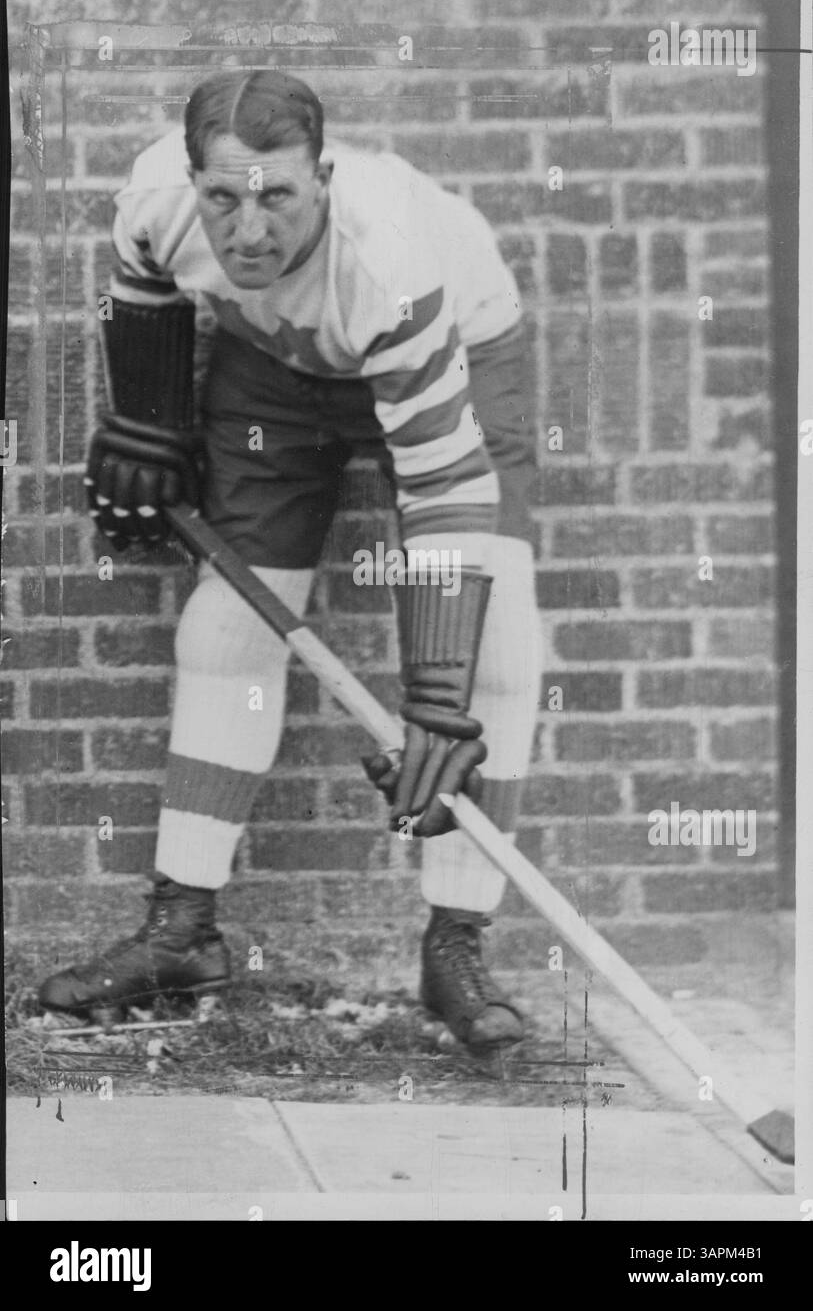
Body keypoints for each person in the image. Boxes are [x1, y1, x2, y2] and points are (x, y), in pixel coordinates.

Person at [38, 69, 540, 1053]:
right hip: (273, 365)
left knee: (496, 651)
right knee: (225, 624)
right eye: (223, 198)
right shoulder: (153, 204)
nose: (248, 230)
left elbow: (441, 488)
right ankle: (181, 930)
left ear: (325, 176)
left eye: (278, 197)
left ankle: (455, 946)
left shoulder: (389, 263)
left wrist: (434, 698)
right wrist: (150, 420)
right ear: (193, 184)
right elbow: (146, 290)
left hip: (457, 353)